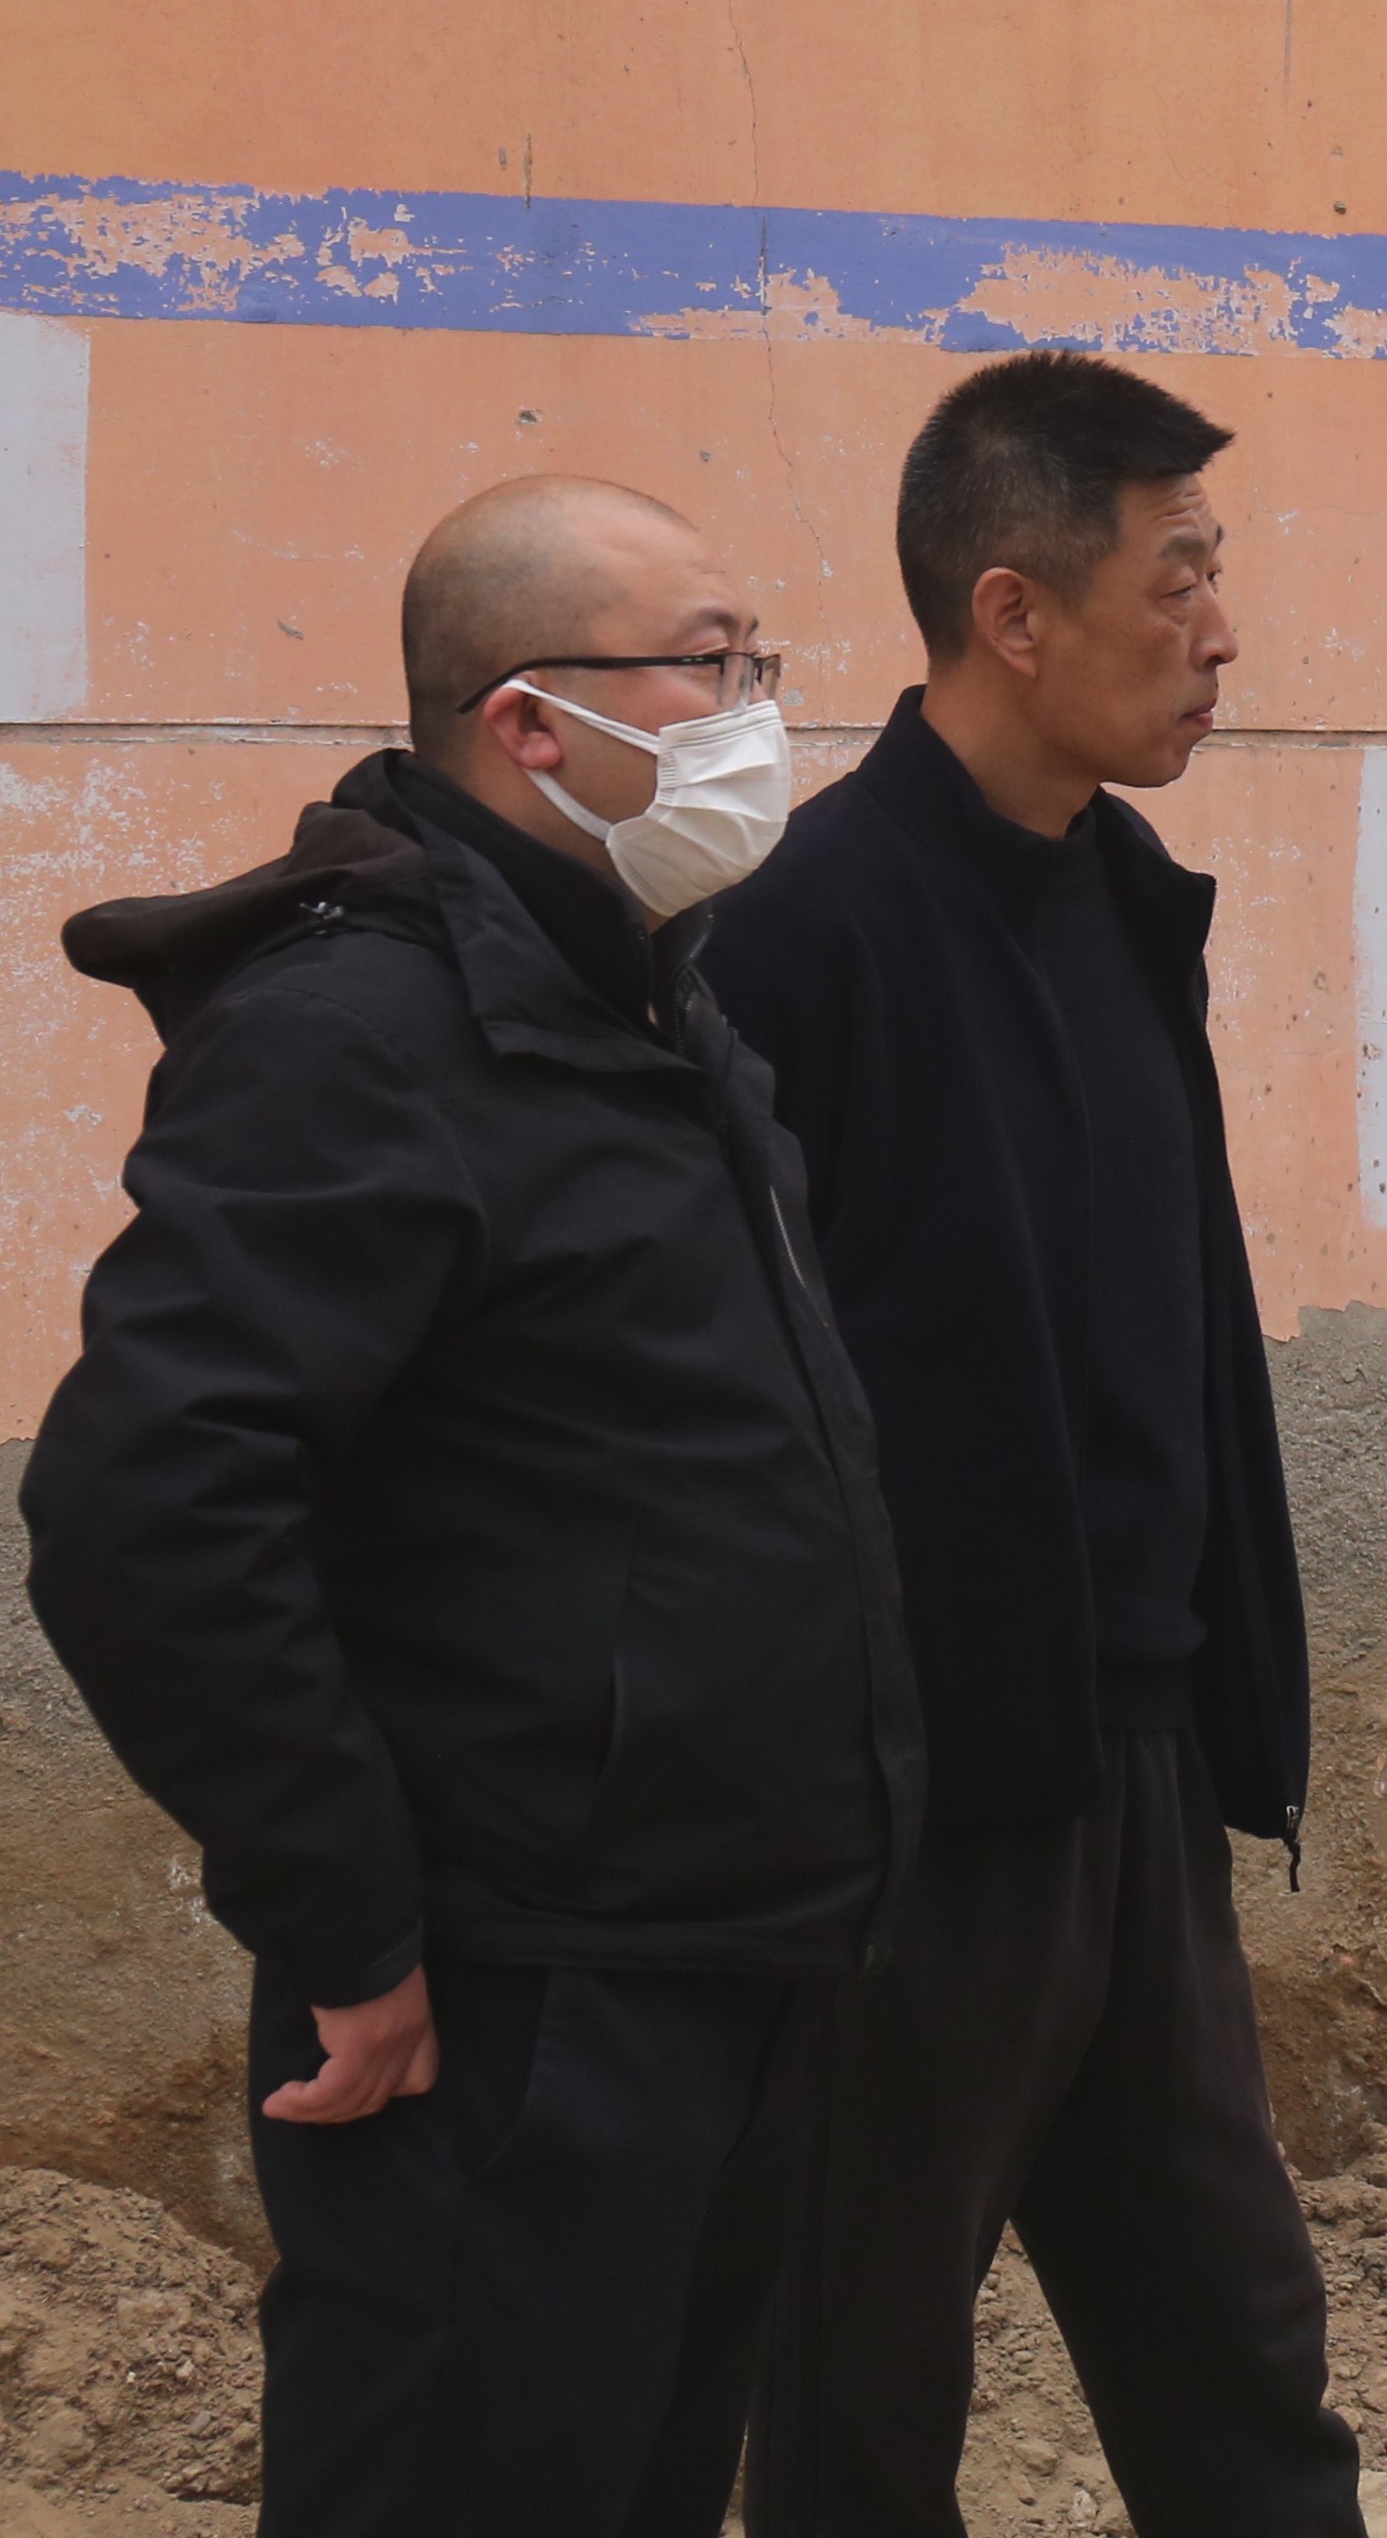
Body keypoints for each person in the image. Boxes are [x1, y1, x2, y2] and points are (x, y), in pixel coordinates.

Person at [22, 477, 918, 2538]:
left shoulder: (651, 1002)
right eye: (708, 664)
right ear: (529, 721)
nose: (757, 712)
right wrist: (345, 1919)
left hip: (719, 1962)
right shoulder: (359, 1035)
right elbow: (145, 1504)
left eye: (759, 661)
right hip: (513, 2007)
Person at [704, 356, 1356, 2533]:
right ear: (1013, 611)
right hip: (919, 1819)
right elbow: (748, 1403)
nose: (1221, 633)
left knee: (1242, 2365)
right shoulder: (798, 933)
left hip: (1139, 1768)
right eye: (1177, 581)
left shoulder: (1128, 896)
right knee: (861, 2401)